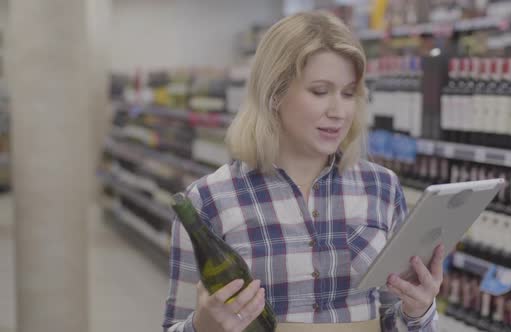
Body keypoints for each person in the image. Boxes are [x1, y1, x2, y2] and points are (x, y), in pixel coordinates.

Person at [162, 11, 443, 332]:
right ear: (275, 94)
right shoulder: (209, 199)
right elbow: (175, 325)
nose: (339, 112)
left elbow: (393, 320)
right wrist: (203, 325)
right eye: (320, 91)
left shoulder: (381, 187)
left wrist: (418, 311)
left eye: (349, 93)